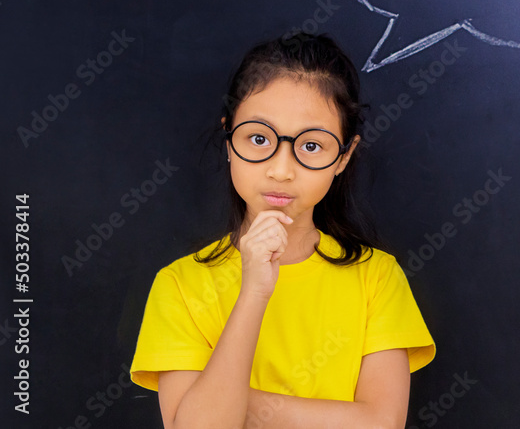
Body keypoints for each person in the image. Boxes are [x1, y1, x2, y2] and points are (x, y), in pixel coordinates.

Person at [130, 32, 435, 428]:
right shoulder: (179, 286)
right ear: (228, 140)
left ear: (343, 157)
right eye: (259, 139)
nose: (280, 170)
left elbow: (381, 424)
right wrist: (254, 291)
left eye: (311, 146)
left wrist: (232, 400)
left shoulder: (377, 277)